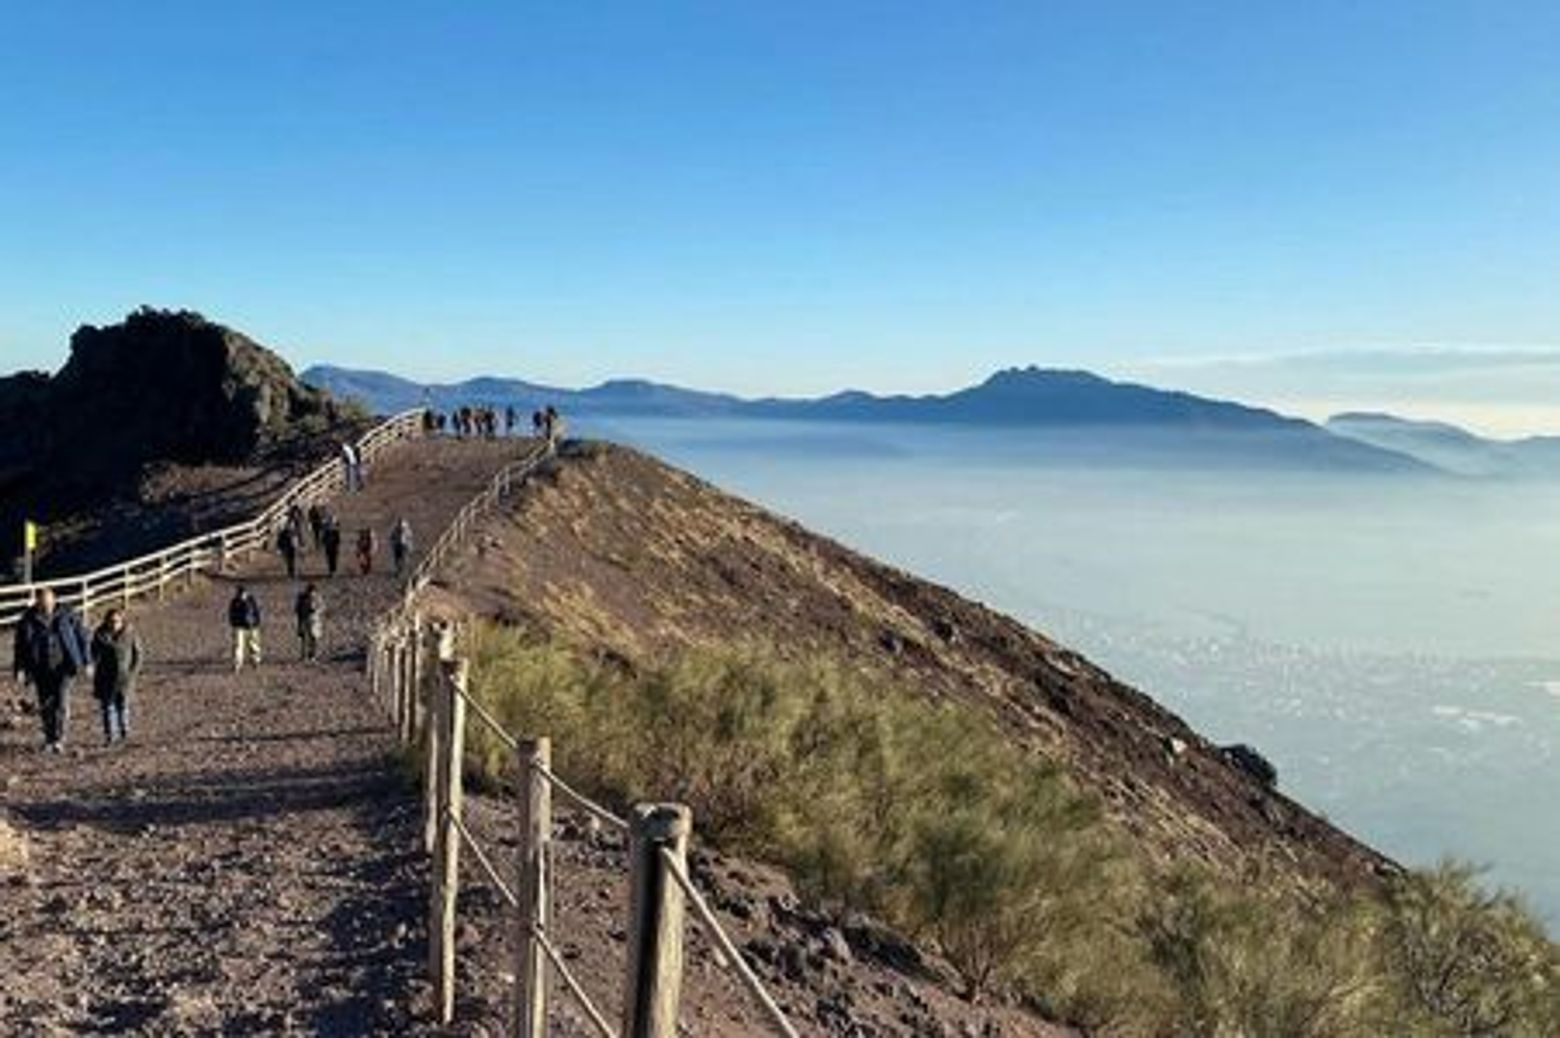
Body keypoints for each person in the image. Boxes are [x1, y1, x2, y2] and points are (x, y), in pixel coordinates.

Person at [12, 587, 90, 752]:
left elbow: (82, 636)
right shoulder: (28, 619)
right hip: (40, 668)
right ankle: (49, 737)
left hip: (64, 666)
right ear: (37, 602)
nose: (46, 607)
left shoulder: (68, 614)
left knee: (61, 701)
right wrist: (19, 668)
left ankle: (59, 739)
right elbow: (20, 646)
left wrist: (87, 661)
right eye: (42, 604)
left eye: (48, 603)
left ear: (54, 600)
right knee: (46, 704)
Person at [90, 608, 141, 746]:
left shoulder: (130, 634)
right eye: (111, 621)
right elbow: (93, 654)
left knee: (123, 706)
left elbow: (138, 655)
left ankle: (124, 732)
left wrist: (132, 673)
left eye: (116, 621)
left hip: (124, 678)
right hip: (105, 678)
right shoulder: (100, 635)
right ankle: (110, 735)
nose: (113, 624)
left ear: (122, 621)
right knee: (108, 707)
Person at [228, 585, 262, 672]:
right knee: (238, 646)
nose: (242, 595)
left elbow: (257, 612)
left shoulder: (251, 601)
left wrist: (257, 623)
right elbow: (231, 614)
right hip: (239, 627)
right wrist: (234, 624)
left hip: (252, 626)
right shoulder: (235, 602)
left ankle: (255, 661)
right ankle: (237, 664)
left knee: (253, 645)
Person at [295, 583, 324, 663]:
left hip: (314, 621)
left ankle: (312, 655)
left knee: (314, 638)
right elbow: (297, 609)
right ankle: (303, 655)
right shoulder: (302, 598)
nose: (311, 594)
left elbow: (322, 607)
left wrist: (316, 611)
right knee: (304, 638)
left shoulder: (318, 598)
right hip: (304, 620)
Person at [321, 513, 342, 578]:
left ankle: (333, 571)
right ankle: (331, 571)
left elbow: (338, 540)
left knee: (333, 559)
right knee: (330, 559)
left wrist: (337, 545)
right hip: (329, 547)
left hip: (332, 546)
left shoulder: (334, 531)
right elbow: (323, 539)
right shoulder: (328, 531)